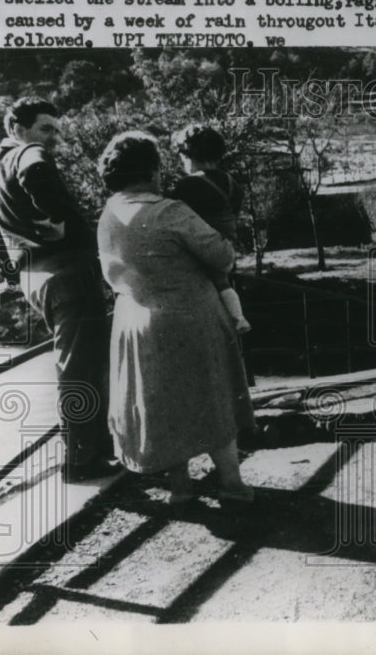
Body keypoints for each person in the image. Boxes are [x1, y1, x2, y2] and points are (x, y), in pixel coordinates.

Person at [96, 131, 254, 504]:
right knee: (213, 397)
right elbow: (222, 256)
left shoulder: (109, 214)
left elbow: (110, 274)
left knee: (164, 403)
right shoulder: (169, 211)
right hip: (190, 316)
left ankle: (180, 486)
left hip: (135, 318)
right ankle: (231, 483)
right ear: (152, 171)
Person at [0, 97, 115, 482]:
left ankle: (96, 448)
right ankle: (78, 460)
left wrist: (9, 274)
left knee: (80, 365)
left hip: (36, 280)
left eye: (56, 130)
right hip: (69, 275)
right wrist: (58, 220)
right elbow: (38, 171)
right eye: (45, 129)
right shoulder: (29, 152)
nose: (52, 138)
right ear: (16, 128)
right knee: (79, 370)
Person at [168, 124, 250, 333]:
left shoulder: (188, 186)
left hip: (202, 249)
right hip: (228, 244)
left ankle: (237, 319)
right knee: (224, 284)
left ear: (188, 156)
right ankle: (236, 316)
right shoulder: (232, 183)